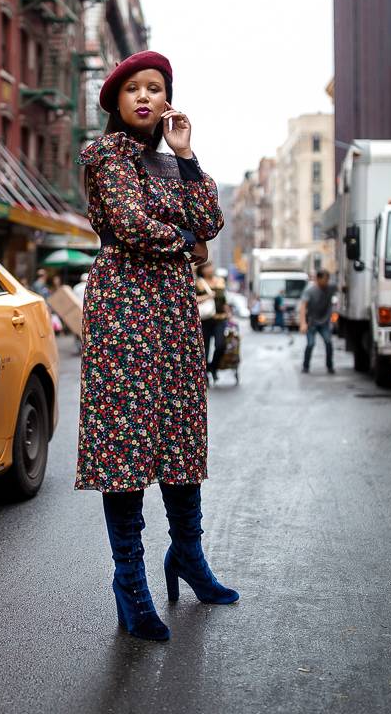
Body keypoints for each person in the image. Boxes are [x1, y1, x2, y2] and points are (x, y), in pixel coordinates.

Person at [76, 49, 238, 644]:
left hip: (172, 311)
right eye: (133, 89)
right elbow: (131, 224)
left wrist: (188, 154)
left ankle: (188, 558)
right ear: (117, 102)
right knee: (125, 446)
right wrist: (190, 241)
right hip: (123, 310)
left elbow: (211, 219)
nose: (145, 97)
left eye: (156, 88)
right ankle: (131, 585)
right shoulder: (104, 155)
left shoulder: (172, 162)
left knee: (179, 435)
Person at [196, 262, 231, 382]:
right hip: (205, 320)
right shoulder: (199, 283)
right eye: (206, 267)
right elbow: (192, 299)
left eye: (211, 266)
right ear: (201, 270)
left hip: (220, 318)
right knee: (204, 348)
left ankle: (213, 367)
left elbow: (224, 300)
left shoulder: (220, 281)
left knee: (221, 345)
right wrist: (208, 296)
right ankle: (204, 374)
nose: (209, 269)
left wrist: (229, 315)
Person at [300, 270, 335, 374]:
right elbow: (303, 306)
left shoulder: (330, 288)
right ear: (318, 279)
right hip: (312, 322)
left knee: (328, 342)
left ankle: (330, 366)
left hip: (324, 322)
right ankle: (305, 366)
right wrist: (303, 323)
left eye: (328, 279)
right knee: (310, 344)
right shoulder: (310, 290)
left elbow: (342, 286)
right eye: (325, 279)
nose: (326, 282)